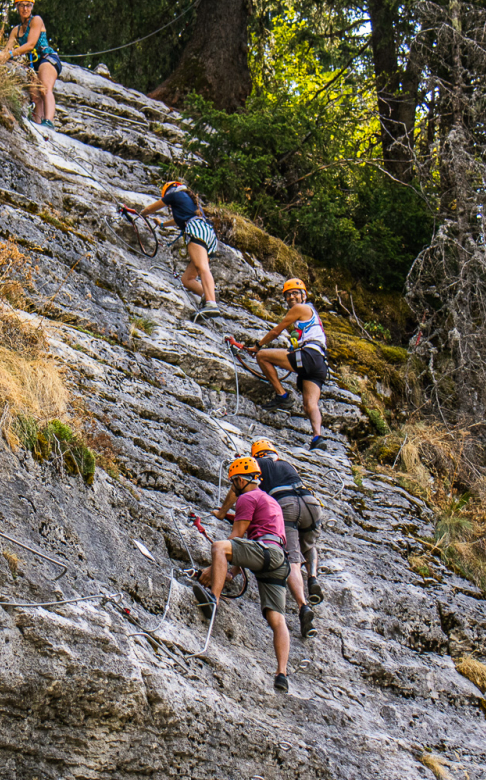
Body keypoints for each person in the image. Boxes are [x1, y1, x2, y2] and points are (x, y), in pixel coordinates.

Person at [194, 456, 294, 692]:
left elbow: (236, 539)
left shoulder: (248, 497)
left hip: (263, 550)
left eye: (233, 482)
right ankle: (282, 673)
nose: (232, 487)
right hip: (279, 559)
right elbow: (248, 548)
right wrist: (231, 573)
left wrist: (212, 569)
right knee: (277, 619)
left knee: (219, 546)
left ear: (240, 480)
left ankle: (213, 599)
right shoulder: (271, 501)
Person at [213, 438, 323, 638]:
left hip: (287, 505)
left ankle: (303, 605)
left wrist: (222, 513)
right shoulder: (286, 465)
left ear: (257, 455)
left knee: (293, 560)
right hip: (310, 503)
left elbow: (237, 487)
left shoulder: (258, 465)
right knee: (308, 544)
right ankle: (313, 577)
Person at [248, 278, 329, 450]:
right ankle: (317, 437)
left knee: (262, 356)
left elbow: (276, 331)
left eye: (295, 293)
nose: (291, 297)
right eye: (288, 295)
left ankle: (282, 396)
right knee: (310, 405)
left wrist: (258, 346)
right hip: (320, 363)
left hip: (309, 355)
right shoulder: (311, 314)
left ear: (303, 296)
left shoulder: (300, 309)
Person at [139, 179, 220, 322]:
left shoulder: (174, 195)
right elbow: (179, 220)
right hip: (208, 233)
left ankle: (211, 304)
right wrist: (163, 224)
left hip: (196, 231)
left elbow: (152, 208)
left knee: (202, 268)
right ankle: (207, 294)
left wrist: (142, 214)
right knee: (187, 279)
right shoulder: (188, 200)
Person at [4, 0, 62, 128]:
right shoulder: (16, 30)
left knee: (45, 88)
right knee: (35, 96)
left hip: (47, 58)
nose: (25, 9)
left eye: (28, 5)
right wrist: (1, 56)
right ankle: (38, 124)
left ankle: (49, 122)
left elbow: (30, 45)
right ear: (17, 7)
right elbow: (7, 49)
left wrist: (10, 54)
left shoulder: (36, 20)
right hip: (32, 64)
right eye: (22, 5)